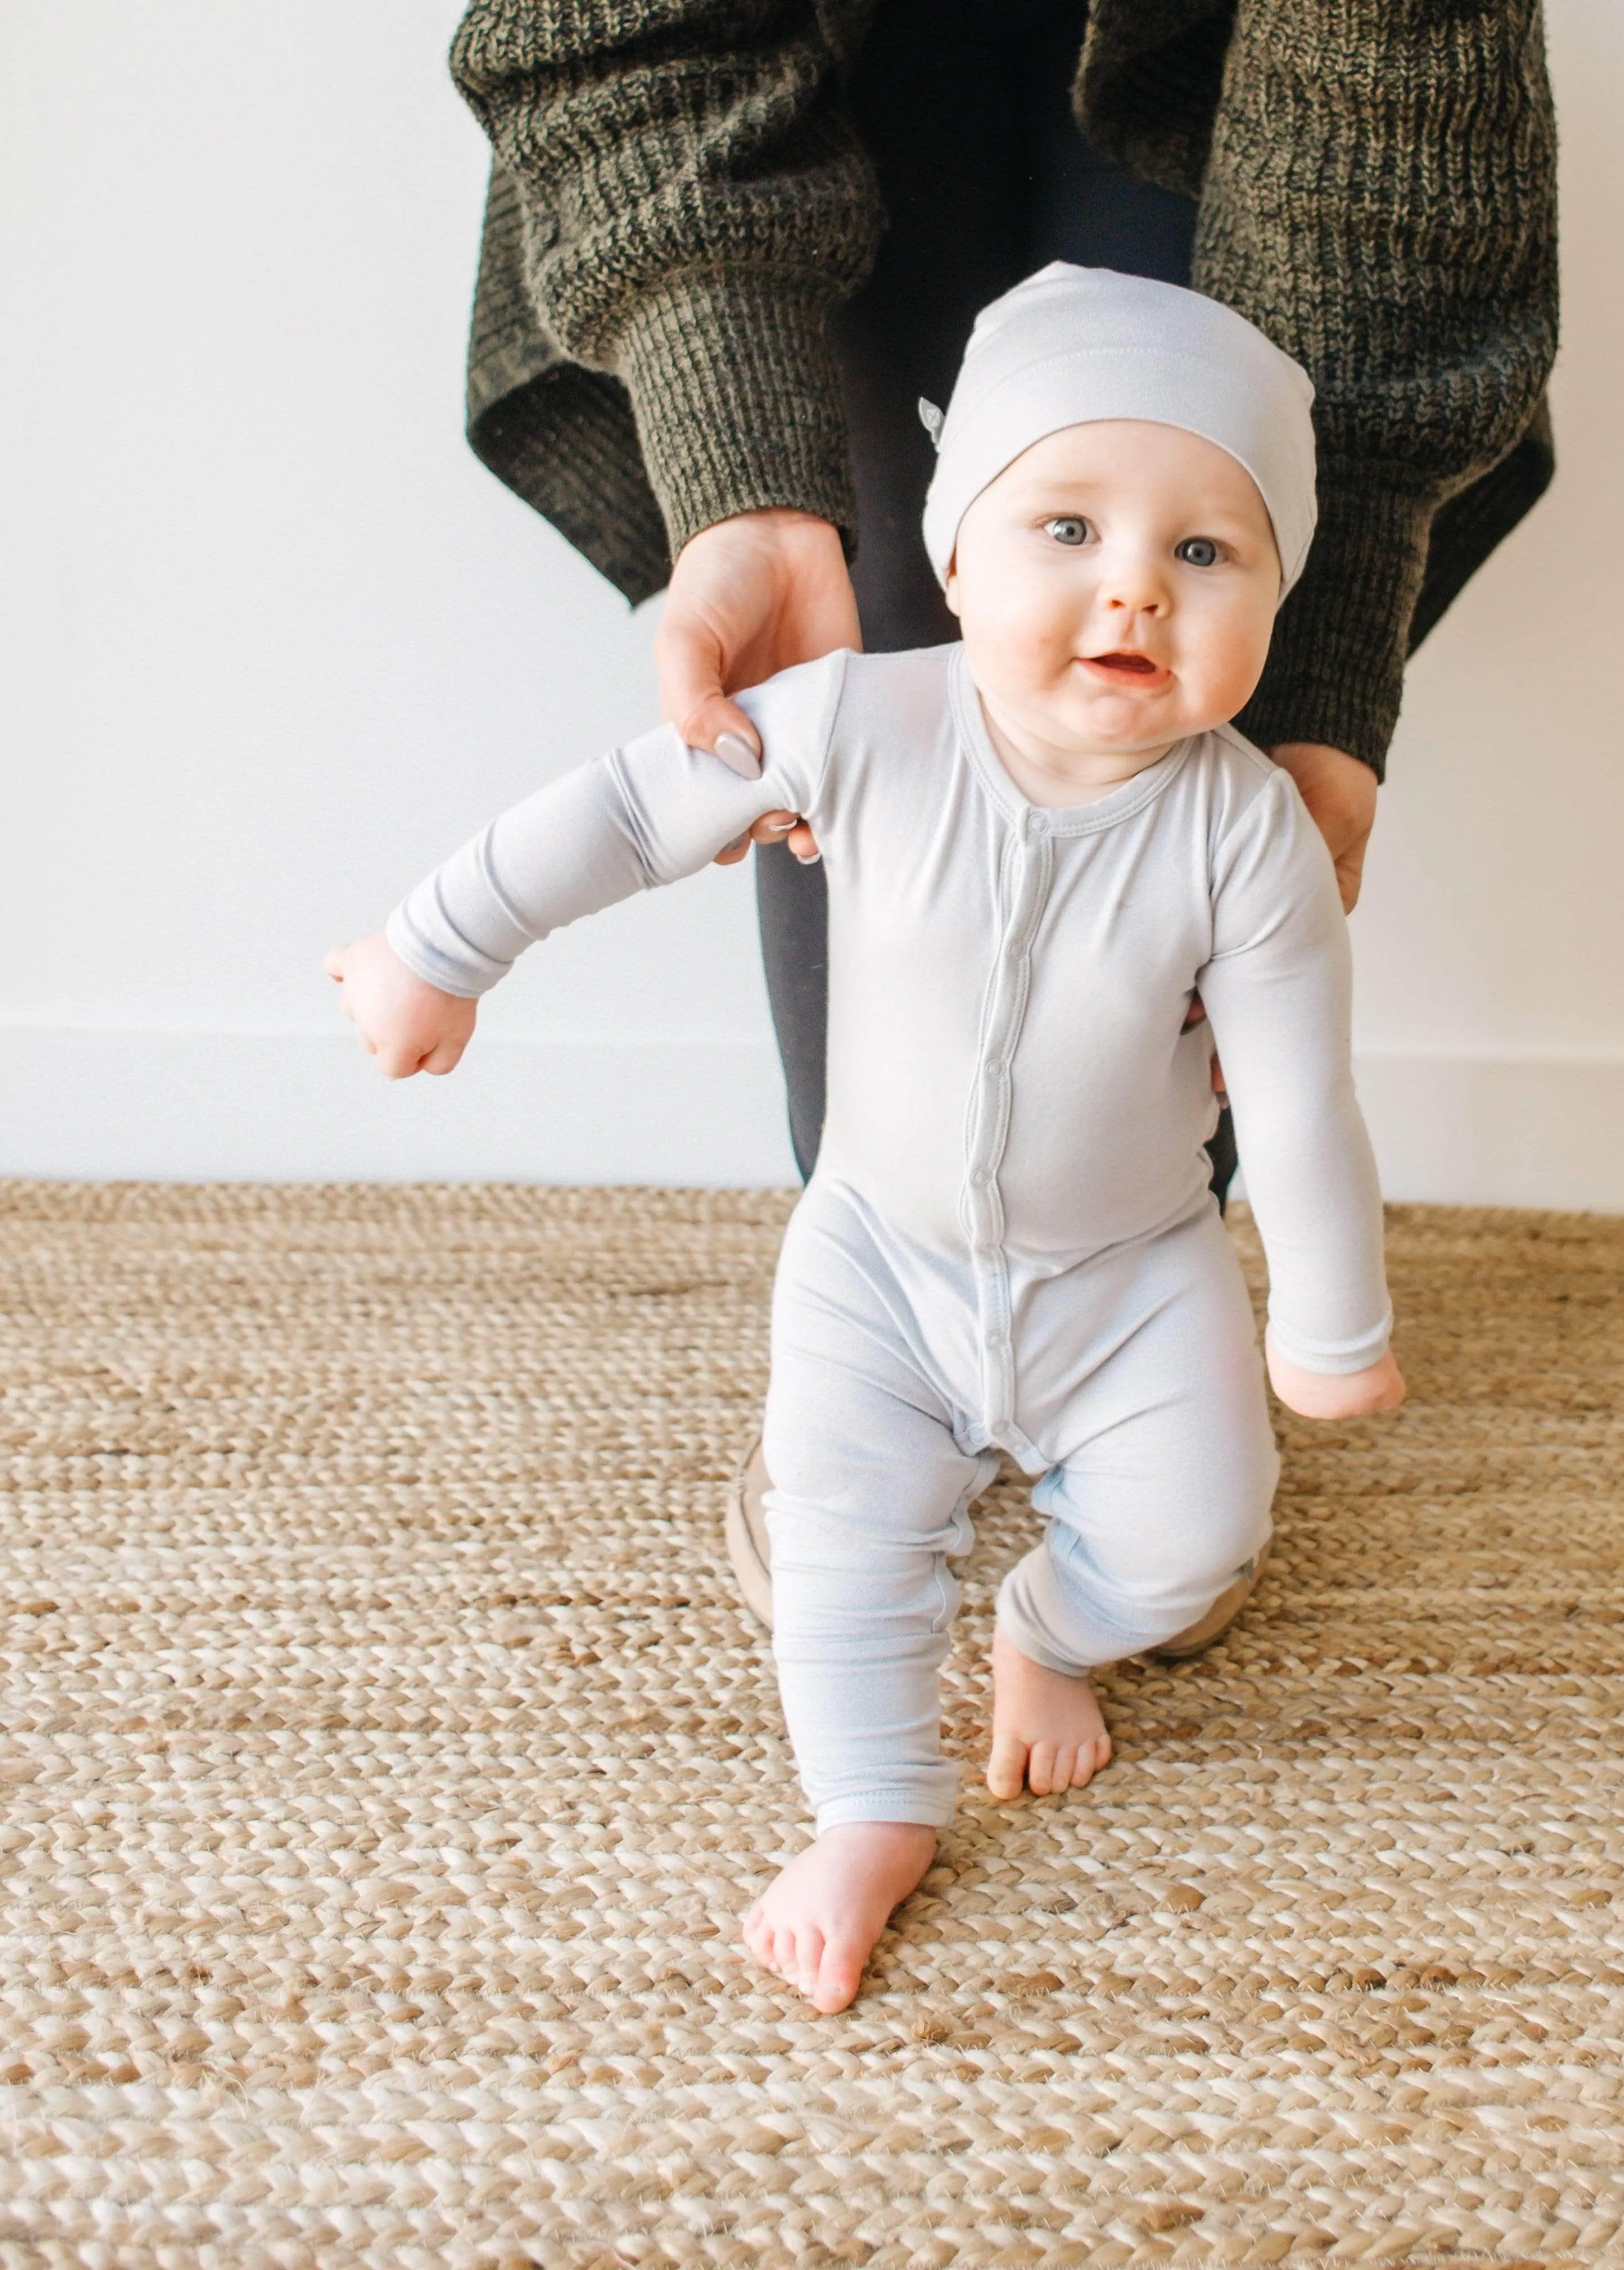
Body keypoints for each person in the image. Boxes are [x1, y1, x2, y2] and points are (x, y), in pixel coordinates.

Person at [327, 265, 1405, 2013]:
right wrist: (436, 948)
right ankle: (871, 1814)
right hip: (878, 1260)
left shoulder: (1249, 833)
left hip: (1133, 1272)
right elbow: (620, 811)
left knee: (1198, 1536)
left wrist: (1330, 1323)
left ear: (1281, 599)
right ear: (956, 558)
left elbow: (1295, 1097)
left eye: (1209, 553)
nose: (1135, 581)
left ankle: (1050, 1633)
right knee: (841, 1538)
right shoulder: (863, 723)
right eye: (1067, 524)